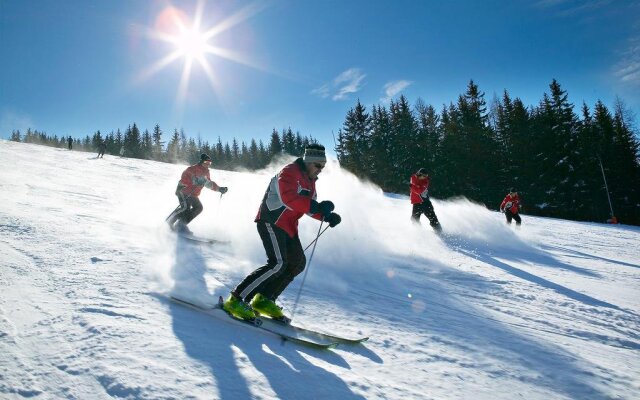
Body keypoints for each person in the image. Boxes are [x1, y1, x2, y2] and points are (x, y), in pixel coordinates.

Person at [223, 143, 341, 321]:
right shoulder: (289, 172)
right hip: (271, 220)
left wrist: (326, 216)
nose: (320, 170)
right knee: (277, 263)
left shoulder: (311, 181)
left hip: (288, 226)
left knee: (297, 263)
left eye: (322, 167)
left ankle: (264, 299)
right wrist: (316, 206)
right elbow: (289, 198)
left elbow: (309, 207)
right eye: (318, 166)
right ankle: (236, 299)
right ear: (308, 162)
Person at [166, 153, 228, 234]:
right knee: (185, 208)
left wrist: (219, 189)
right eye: (206, 162)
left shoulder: (206, 172)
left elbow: (208, 184)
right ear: (202, 161)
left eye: (210, 163)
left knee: (198, 208)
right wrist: (195, 181)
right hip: (183, 191)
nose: (208, 164)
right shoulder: (192, 169)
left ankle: (180, 225)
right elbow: (184, 179)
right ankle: (168, 223)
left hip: (193, 194)